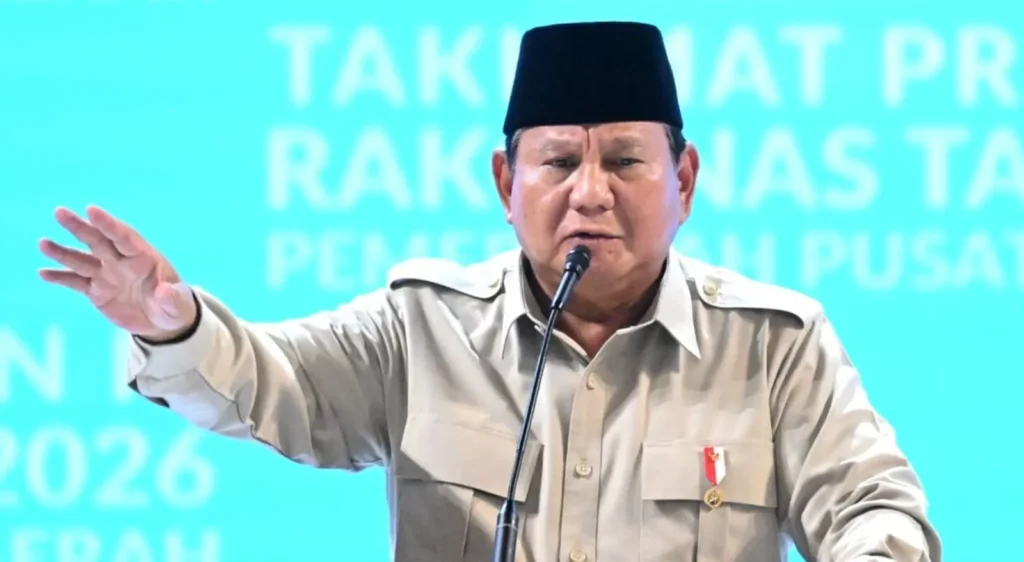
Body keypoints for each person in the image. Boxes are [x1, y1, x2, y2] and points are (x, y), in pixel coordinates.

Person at [38, 20, 940, 562]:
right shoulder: (420, 328)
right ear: (506, 184)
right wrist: (175, 326)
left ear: (685, 181)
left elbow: (873, 508)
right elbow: (275, 383)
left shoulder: (775, 345)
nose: (590, 192)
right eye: (559, 162)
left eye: (626, 161)